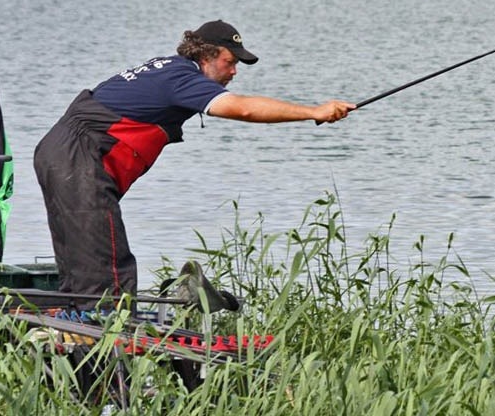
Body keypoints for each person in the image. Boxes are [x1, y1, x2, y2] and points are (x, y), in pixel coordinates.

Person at [34, 20, 354, 301]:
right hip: (77, 155)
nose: (234, 71)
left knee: (82, 250)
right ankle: (104, 328)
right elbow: (241, 109)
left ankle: (80, 316)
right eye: (229, 62)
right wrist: (314, 111)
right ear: (206, 56)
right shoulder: (182, 78)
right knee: (104, 260)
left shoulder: (168, 68)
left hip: (60, 150)